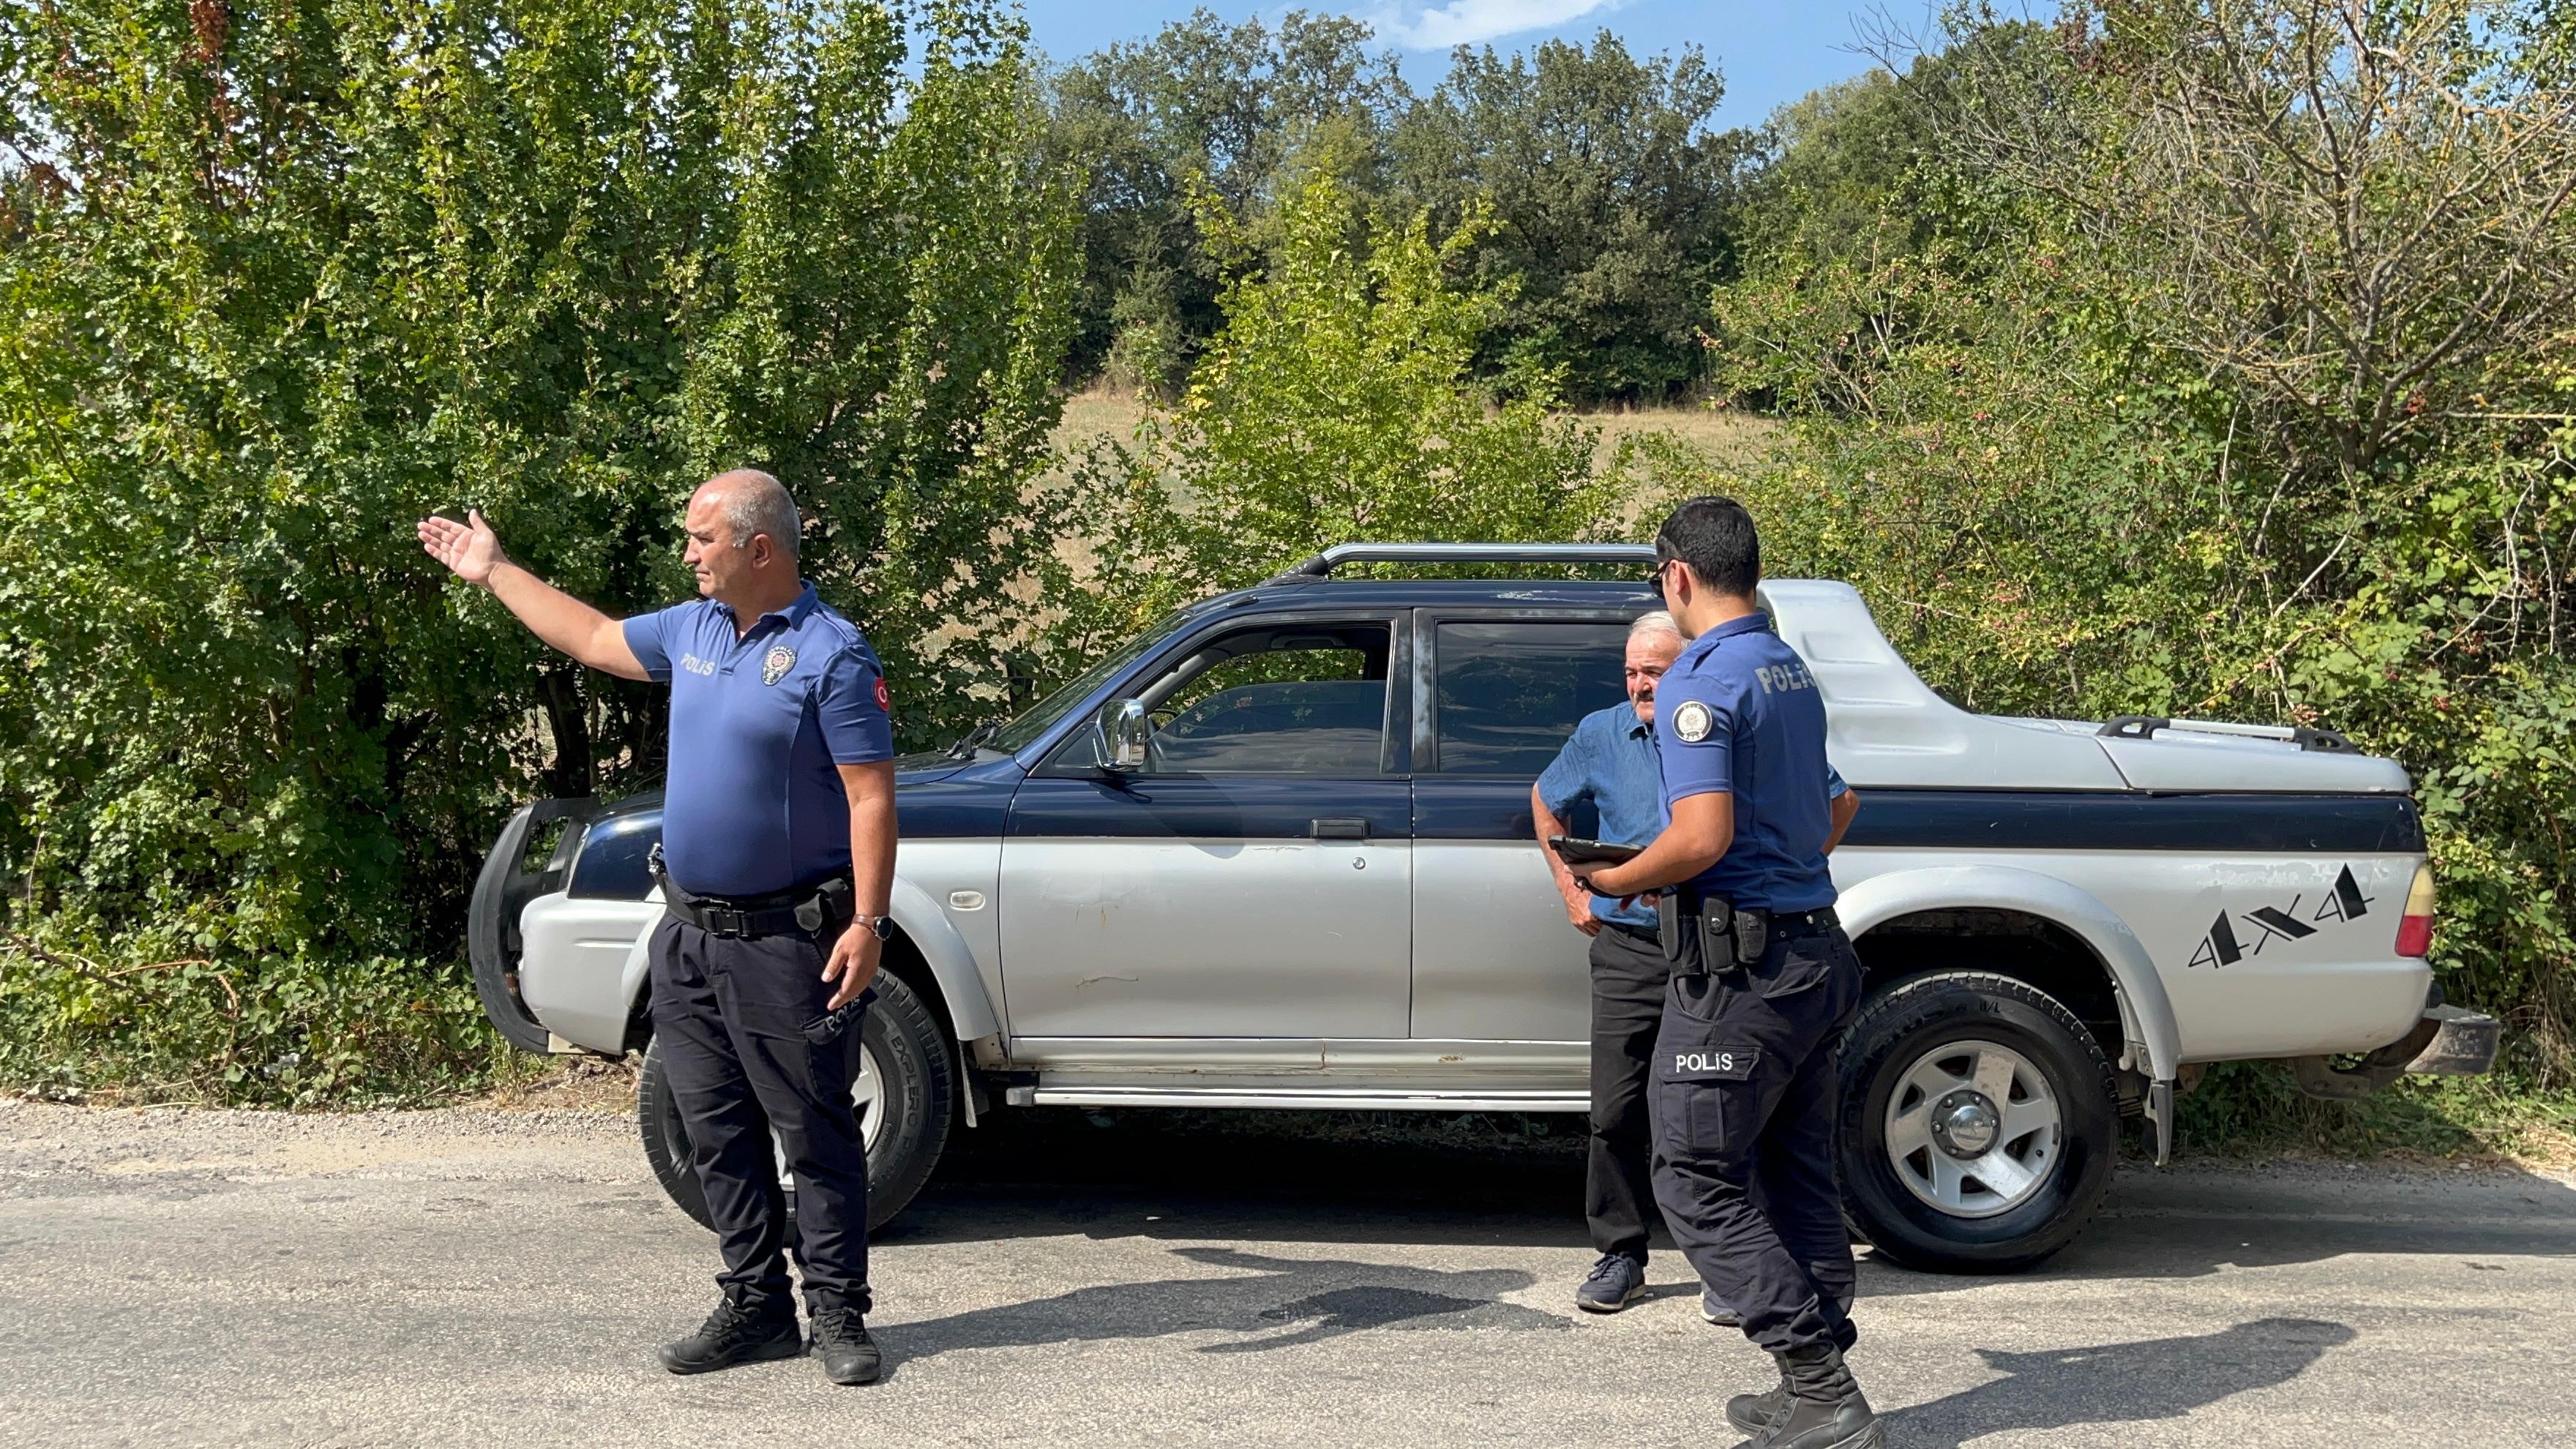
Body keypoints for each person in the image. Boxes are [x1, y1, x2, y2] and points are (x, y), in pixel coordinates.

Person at [419, 471, 897, 1388]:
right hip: (687, 933)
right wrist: (496, 571)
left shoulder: (834, 656)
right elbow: (594, 638)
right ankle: (755, 1305)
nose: (688, 555)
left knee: (815, 1127)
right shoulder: (694, 629)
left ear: (761, 549)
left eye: (702, 540)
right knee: (713, 1125)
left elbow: (871, 796)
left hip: (789, 937)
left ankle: (836, 1311)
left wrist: (869, 921)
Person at [1568, 496, 1873, 1449]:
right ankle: (1813, 1382)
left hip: (1746, 972)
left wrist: (1621, 876)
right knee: (1791, 1173)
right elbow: (1829, 809)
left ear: (1678, 577)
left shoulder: (1702, 680)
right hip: (1816, 949)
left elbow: (1701, 837)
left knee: (1695, 1175)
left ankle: (1820, 1386)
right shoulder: (1789, 670)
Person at [1534, 611, 1732, 1319]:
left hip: (1713, 948)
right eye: (1631, 670)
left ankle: (1723, 1262)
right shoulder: (1600, 733)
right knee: (1616, 1110)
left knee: (1706, 1113)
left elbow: (1833, 801)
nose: (1640, 683)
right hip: (1628, 948)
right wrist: (1570, 889)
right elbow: (1544, 799)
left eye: (1655, 670)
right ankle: (1621, 1254)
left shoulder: (1720, 725)